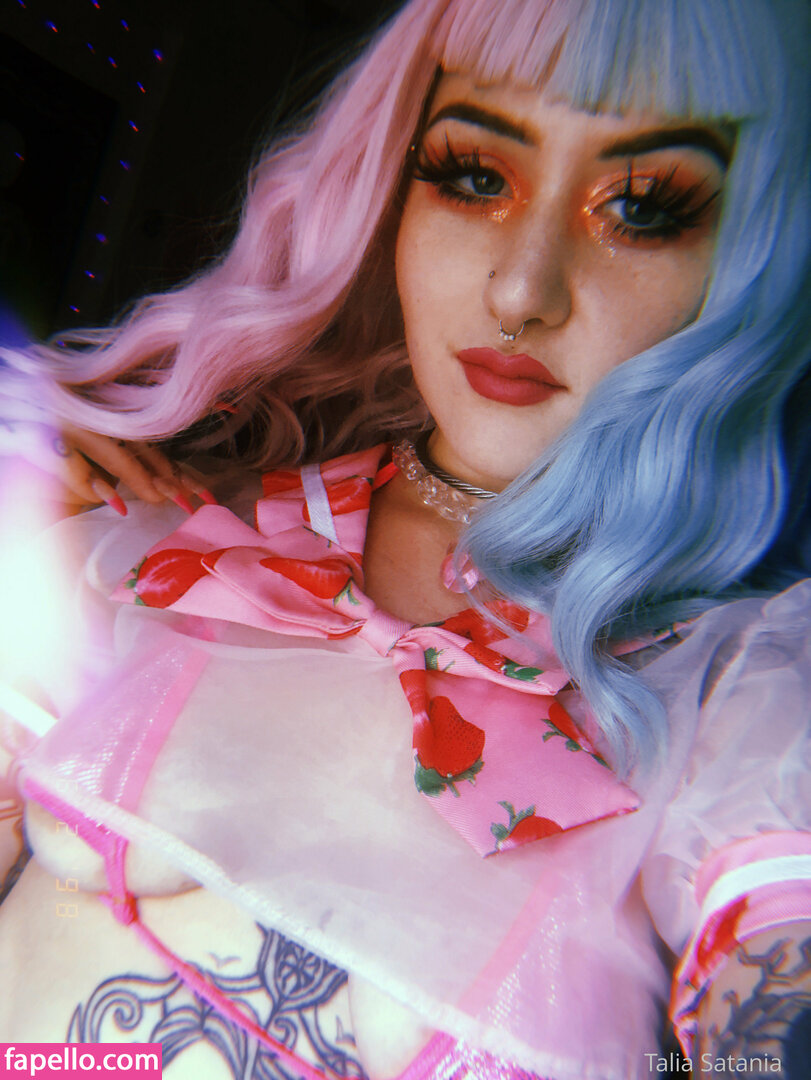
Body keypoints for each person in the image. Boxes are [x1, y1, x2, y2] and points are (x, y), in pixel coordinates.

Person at [0, 0, 809, 1077]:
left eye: (642, 207)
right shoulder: (167, 540)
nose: (522, 288)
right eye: (473, 176)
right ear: (391, 195)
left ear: (754, 255)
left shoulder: (741, 693)